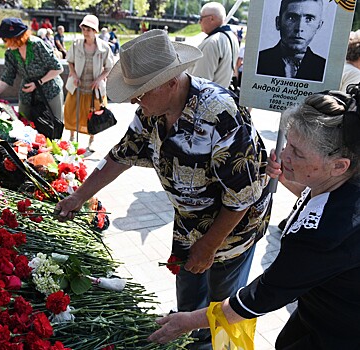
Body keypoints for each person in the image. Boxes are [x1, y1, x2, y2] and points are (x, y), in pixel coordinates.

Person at [55, 30, 272, 350]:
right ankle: (187, 340)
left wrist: (210, 245)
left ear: (172, 81)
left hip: (231, 232)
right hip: (189, 223)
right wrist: (78, 197)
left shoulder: (220, 114)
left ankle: (219, 346)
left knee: (222, 307)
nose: (134, 100)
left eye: (141, 92)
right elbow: (120, 155)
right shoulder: (151, 111)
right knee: (188, 295)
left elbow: (242, 197)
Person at [148, 86, 360, 349]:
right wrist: (285, 176)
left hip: (339, 335)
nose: (284, 155)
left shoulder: (327, 234)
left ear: (339, 166)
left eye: (297, 152)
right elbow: (315, 197)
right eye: (288, 144)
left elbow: (264, 295)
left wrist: (189, 321)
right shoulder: (345, 184)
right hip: (320, 317)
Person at [0, 18, 64, 124]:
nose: (5, 43)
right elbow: (7, 77)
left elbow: (58, 68)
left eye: (6, 40)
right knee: (24, 127)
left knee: (53, 127)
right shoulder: (10, 53)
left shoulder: (37, 45)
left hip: (50, 91)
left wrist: (38, 83)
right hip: (27, 94)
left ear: (16, 37)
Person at [63, 15, 114, 151]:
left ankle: (92, 140)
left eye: (89, 29)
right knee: (71, 111)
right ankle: (72, 137)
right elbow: (70, 61)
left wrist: (99, 79)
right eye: (84, 29)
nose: (86, 32)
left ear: (95, 31)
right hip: (77, 86)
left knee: (95, 115)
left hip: (94, 88)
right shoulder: (76, 44)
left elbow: (109, 67)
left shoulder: (104, 47)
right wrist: (73, 75)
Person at [257, 0, 326, 81]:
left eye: (309, 19)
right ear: (278, 22)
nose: (299, 28)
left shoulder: (324, 68)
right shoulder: (258, 61)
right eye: (291, 18)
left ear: (319, 26)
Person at [189, 2, 239, 88]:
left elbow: (200, 83)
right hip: (220, 95)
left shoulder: (212, 43)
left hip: (207, 98)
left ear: (211, 18)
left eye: (201, 18)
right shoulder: (232, 37)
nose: (199, 22)